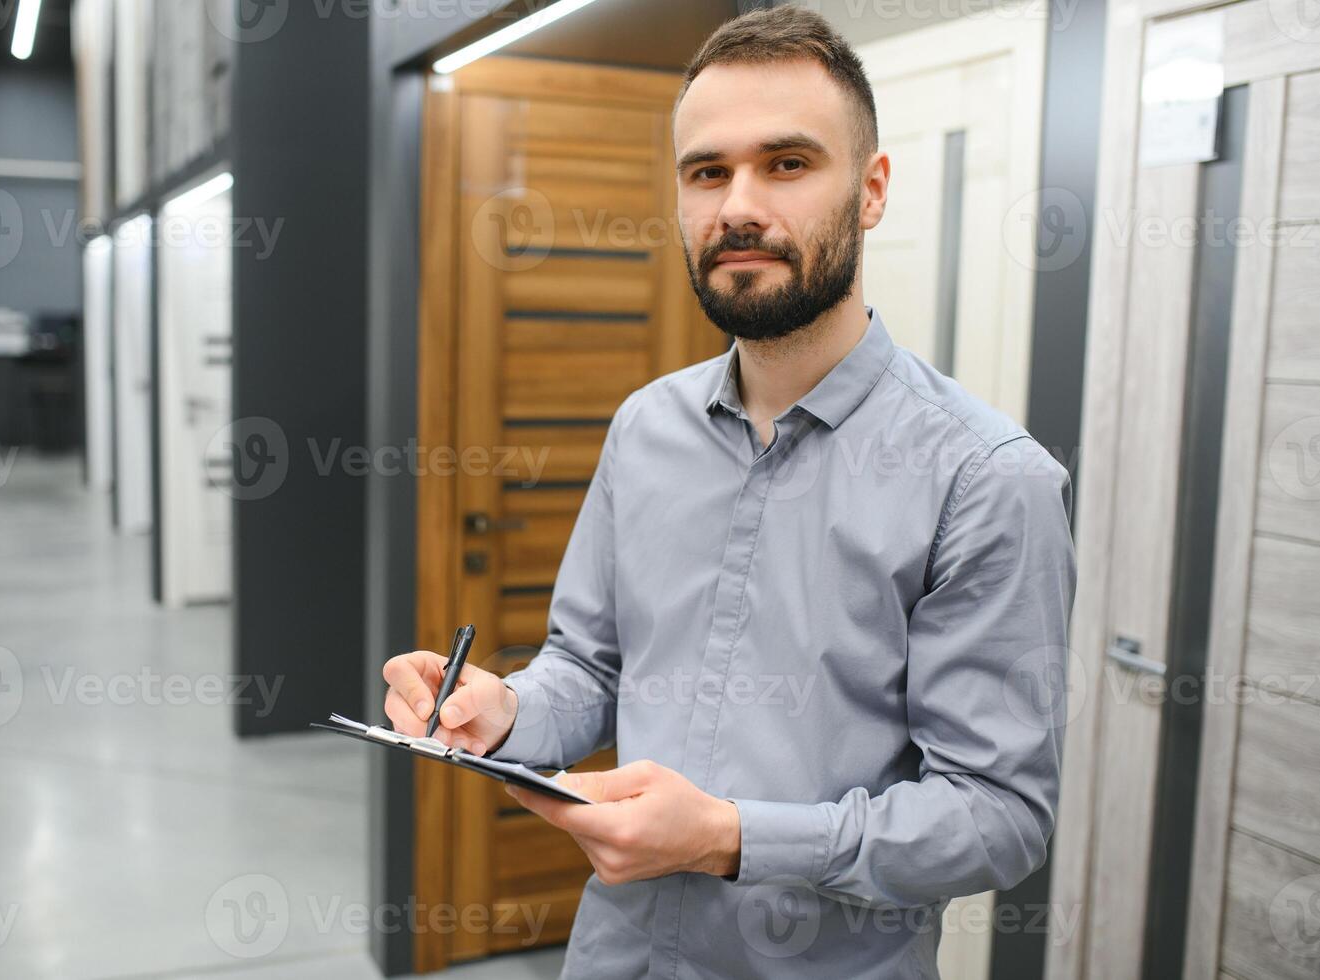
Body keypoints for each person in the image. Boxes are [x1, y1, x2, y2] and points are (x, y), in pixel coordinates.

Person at [383, 6, 1076, 976]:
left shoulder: (987, 479)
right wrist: (499, 712)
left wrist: (729, 835)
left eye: (786, 164)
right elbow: (591, 664)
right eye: (707, 171)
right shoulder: (645, 427)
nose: (737, 205)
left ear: (871, 191)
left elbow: (999, 814)